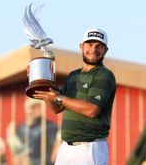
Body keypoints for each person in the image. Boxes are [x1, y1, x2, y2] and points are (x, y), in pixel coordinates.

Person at [33, 28, 116, 165]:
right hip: (66, 147)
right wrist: (46, 90)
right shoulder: (74, 75)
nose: (93, 49)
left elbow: (92, 110)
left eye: (99, 46)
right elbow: (56, 108)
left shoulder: (104, 75)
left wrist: (59, 98)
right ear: (81, 47)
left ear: (105, 50)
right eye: (89, 44)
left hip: (90, 148)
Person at [7, 98, 58, 165]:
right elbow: (17, 153)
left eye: (39, 106)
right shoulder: (21, 127)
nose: (38, 109)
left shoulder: (50, 126)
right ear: (27, 109)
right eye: (34, 107)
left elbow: (56, 148)